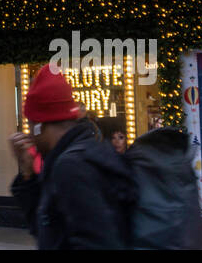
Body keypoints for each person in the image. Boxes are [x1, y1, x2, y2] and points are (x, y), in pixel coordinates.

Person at [9, 65, 137, 249]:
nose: (30, 134)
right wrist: (27, 176)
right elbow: (50, 230)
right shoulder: (90, 151)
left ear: (40, 125)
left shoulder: (70, 167)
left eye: (30, 125)